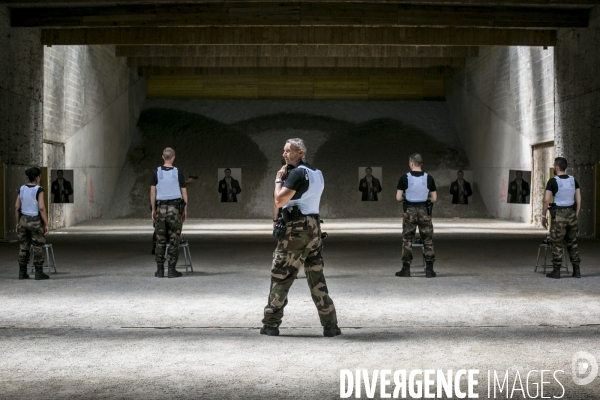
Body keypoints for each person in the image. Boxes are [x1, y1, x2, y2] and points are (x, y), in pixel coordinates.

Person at [261, 138, 340, 338]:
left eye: (289, 151)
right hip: (314, 228)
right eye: (284, 150)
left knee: (281, 275)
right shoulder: (317, 173)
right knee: (317, 279)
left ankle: (271, 324)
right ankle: (330, 325)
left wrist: (278, 179)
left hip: (296, 230)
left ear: (301, 153)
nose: (284, 154)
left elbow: (279, 200)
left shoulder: (296, 173)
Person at [395, 153, 437, 278]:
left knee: (407, 240)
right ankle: (429, 270)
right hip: (424, 211)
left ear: (412, 163)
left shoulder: (404, 178)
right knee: (427, 240)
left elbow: (398, 198)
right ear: (421, 164)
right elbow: (434, 198)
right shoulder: (429, 178)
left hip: (410, 211)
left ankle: (406, 269)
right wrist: (425, 197)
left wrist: (407, 197)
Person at [150, 147, 188, 278]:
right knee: (174, 240)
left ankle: (160, 270)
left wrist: (154, 209)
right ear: (173, 157)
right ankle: (171, 269)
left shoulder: (156, 172)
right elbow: (184, 192)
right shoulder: (178, 172)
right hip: (175, 210)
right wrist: (185, 209)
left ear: (162, 157)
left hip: (161, 210)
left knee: (160, 240)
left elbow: (152, 192)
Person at [541, 157, 582, 279]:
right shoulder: (573, 180)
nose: (554, 167)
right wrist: (576, 214)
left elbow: (546, 200)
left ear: (557, 167)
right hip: (571, 213)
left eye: (554, 166)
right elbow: (579, 199)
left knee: (557, 242)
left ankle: (556, 271)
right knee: (572, 242)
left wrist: (543, 216)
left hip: (559, 214)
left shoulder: (553, 181)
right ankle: (576, 270)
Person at [14, 167, 50, 280]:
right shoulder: (39, 189)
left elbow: (16, 207)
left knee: (23, 246)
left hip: (23, 220)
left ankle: (22, 272)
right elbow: (41, 207)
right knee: (37, 246)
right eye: (39, 176)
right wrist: (46, 223)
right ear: (37, 177)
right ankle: (39, 272)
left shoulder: (22, 188)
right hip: (35, 220)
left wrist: (17, 222)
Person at [151, 177, 194, 255]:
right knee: (162, 229)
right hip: (165, 207)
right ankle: (161, 247)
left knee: (162, 229)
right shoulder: (163, 182)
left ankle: (162, 247)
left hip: (164, 208)